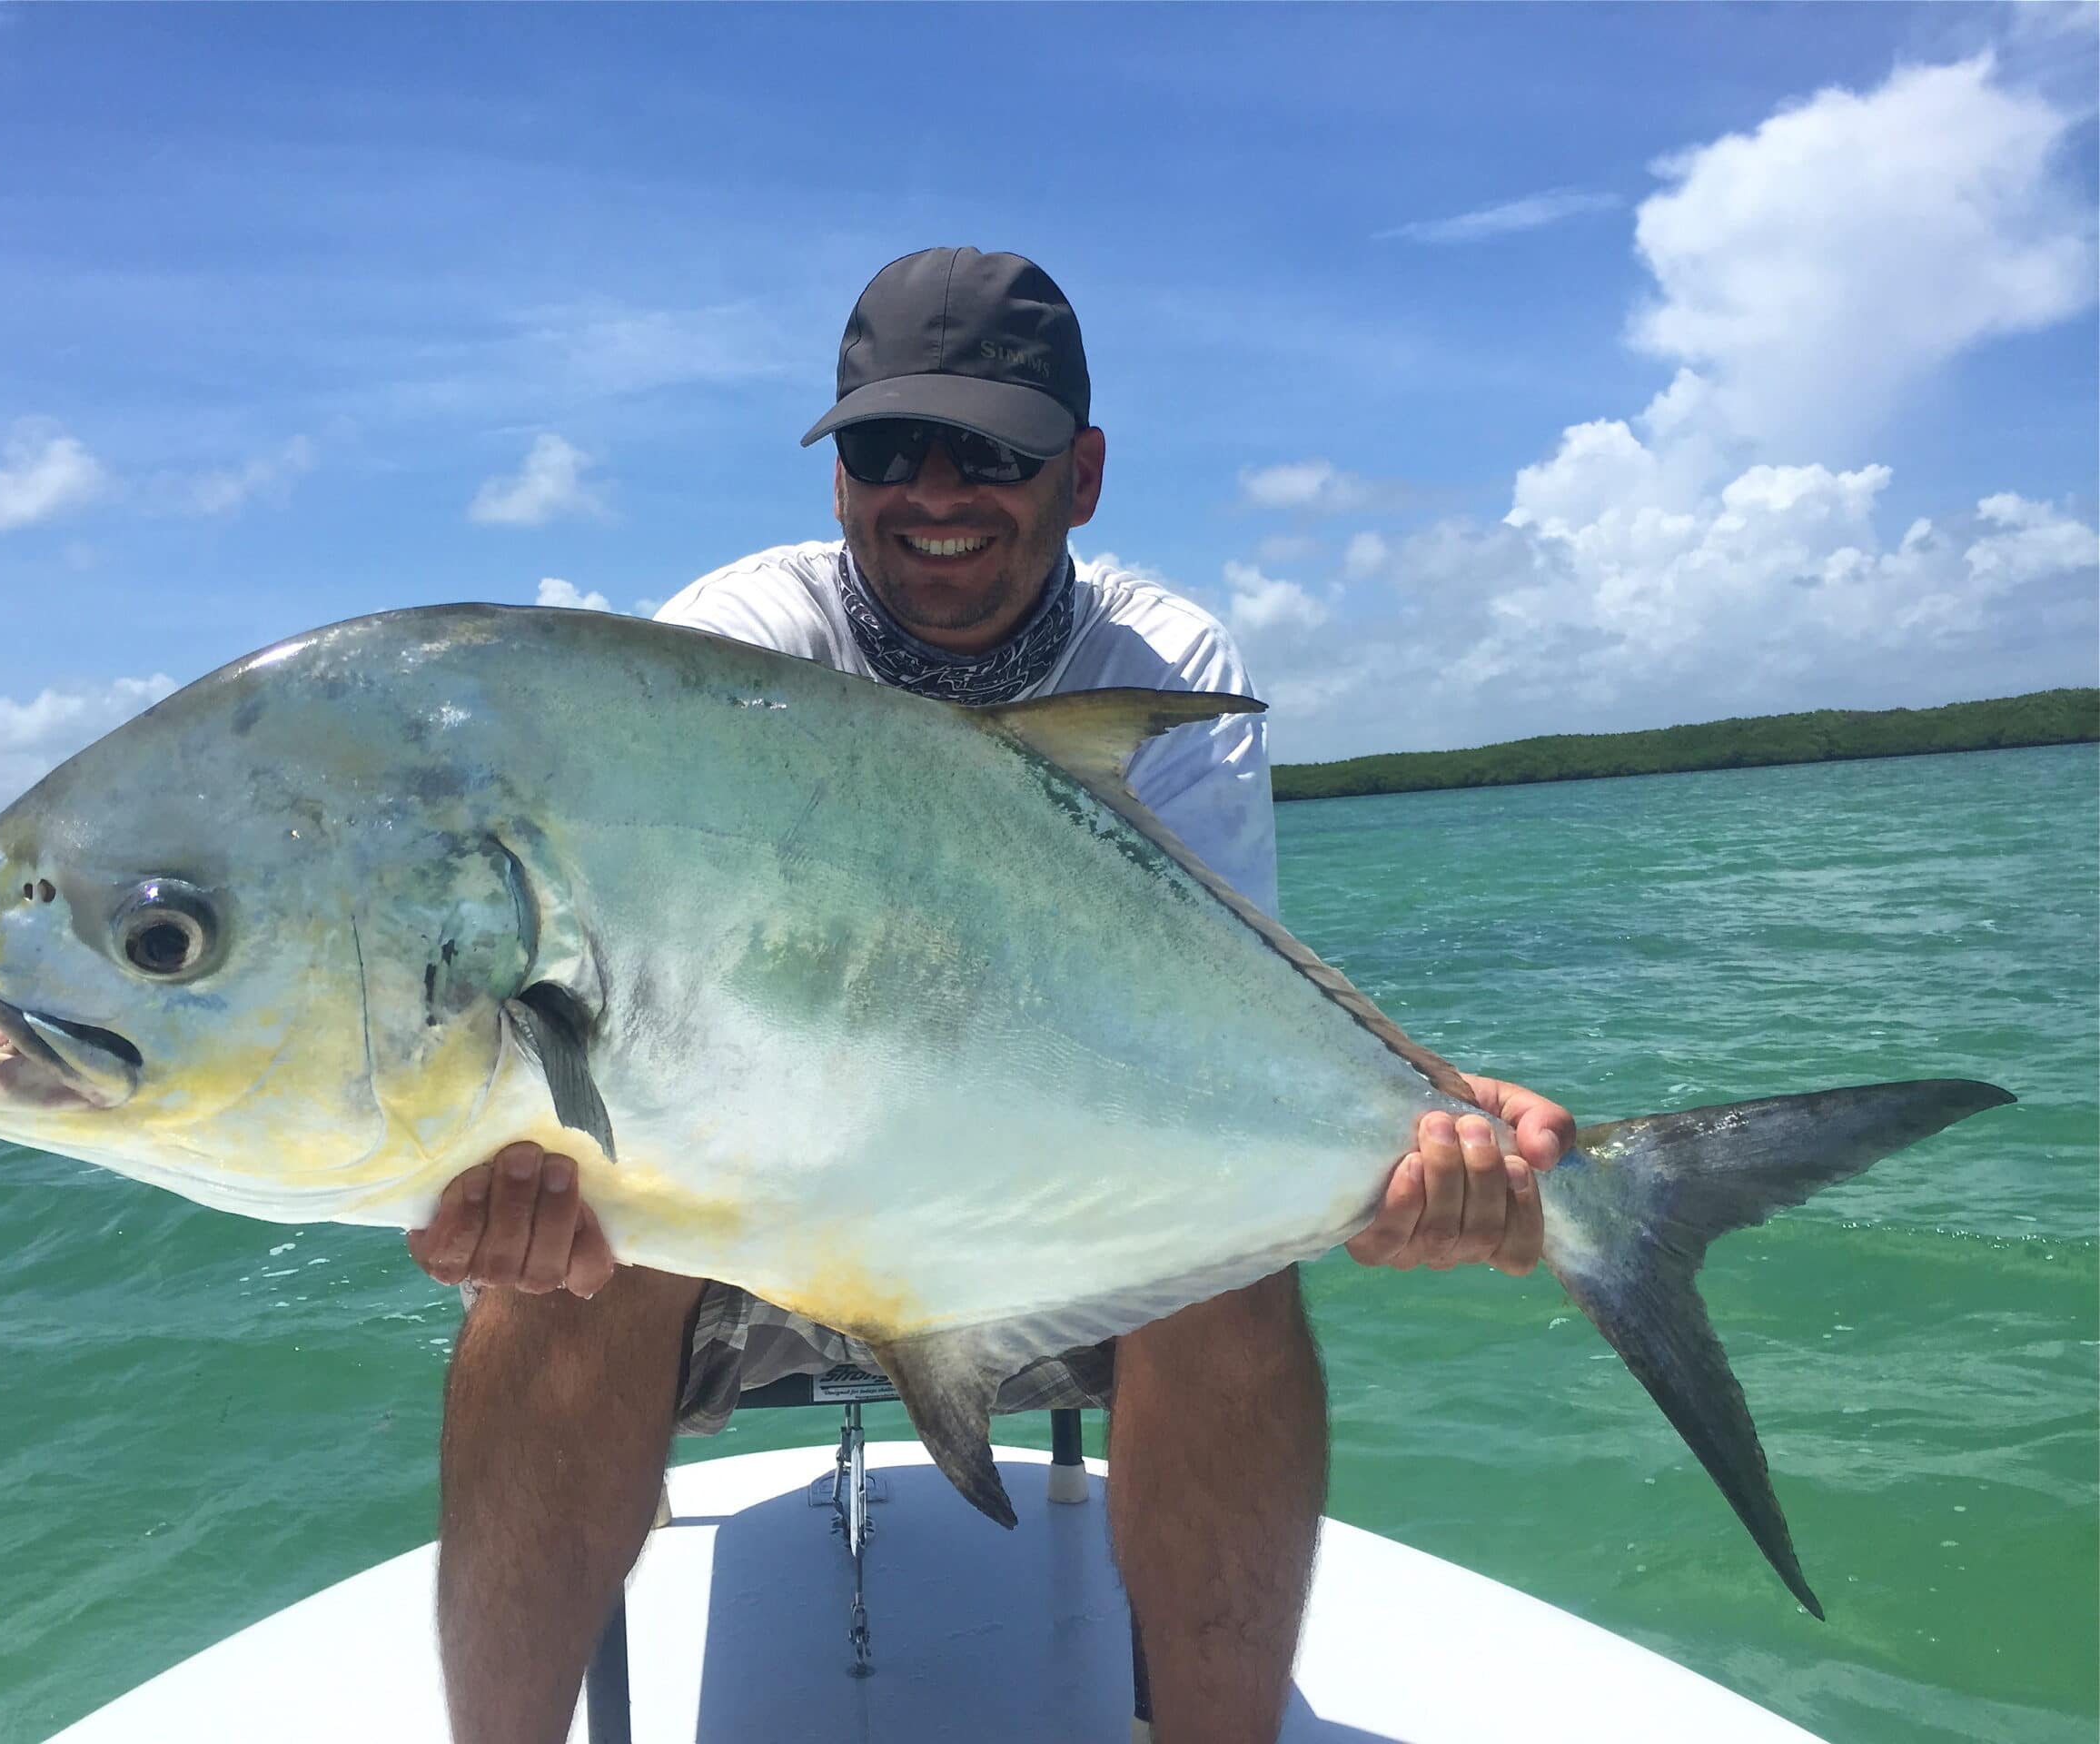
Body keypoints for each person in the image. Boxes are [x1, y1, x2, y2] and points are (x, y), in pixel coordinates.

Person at [407, 247, 1576, 1743]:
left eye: (996, 452)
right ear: (838, 479)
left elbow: (1223, 998)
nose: (938, 492)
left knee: (1231, 1275)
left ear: (1082, 474)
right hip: (756, 1217)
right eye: (891, 449)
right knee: (558, 1276)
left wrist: (1433, 1114)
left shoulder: (1161, 664)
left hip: (1040, 1220)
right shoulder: (729, 654)